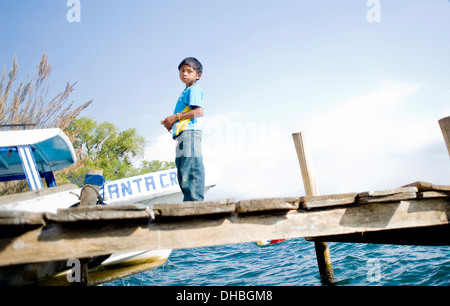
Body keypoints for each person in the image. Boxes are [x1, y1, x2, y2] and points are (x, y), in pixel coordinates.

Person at [161, 57, 205, 202]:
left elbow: (198, 112)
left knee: (191, 166)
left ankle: (194, 202)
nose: (184, 74)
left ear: (198, 75)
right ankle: (189, 201)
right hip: (181, 135)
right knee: (182, 169)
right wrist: (171, 122)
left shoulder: (194, 90)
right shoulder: (185, 92)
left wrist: (176, 117)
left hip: (190, 133)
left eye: (189, 71)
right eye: (182, 71)